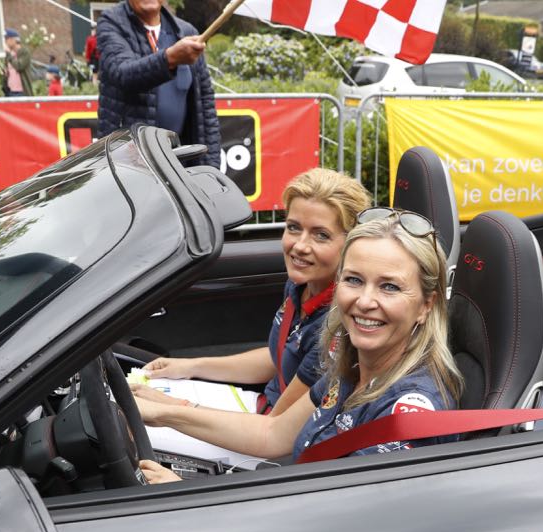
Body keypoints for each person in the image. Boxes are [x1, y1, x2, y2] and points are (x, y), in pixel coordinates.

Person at [134, 208, 462, 483]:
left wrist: (191, 496)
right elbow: (273, 434)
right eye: (354, 280)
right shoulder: (354, 366)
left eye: (389, 287)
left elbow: (343, 524)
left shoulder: (407, 412)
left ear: (426, 305)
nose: (364, 301)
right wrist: (165, 413)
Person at [140, 169, 371, 418]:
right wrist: (190, 366)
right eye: (294, 228)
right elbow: (279, 360)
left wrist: (172, 407)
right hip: (259, 410)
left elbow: (274, 430)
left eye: (321, 235)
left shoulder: (337, 323)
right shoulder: (300, 286)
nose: (300, 246)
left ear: (351, 244)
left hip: (268, 430)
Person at [95, 0, 219, 167]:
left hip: (179, 160)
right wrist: (170, 58)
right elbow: (123, 73)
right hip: (130, 162)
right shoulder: (111, 23)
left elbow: (205, 105)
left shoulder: (186, 32)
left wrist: (211, 164)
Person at [2, 27, 33, 96]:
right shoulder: (9, 54)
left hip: (21, 92)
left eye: (6, 39)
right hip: (10, 91)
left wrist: (9, 54)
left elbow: (19, 66)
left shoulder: (24, 52)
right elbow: (7, 70)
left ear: (13, 40)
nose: (5, 42)